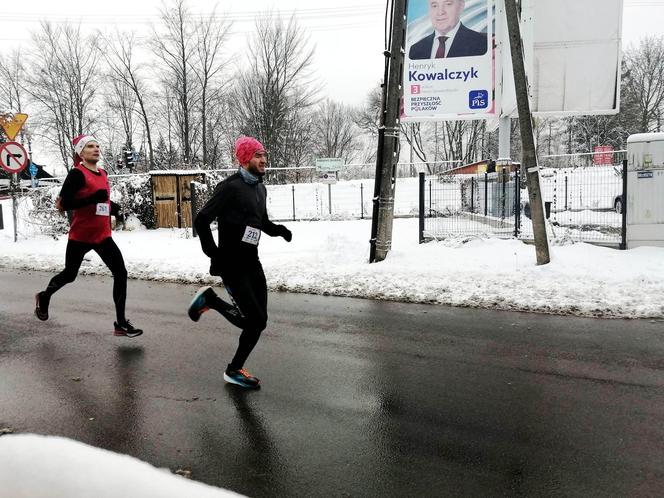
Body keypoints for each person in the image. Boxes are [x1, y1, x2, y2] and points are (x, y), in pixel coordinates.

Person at [187, 136, 292, 389]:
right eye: (258, 155)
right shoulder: (229, 187)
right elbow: (202, 220)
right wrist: (214, 254)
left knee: (259, 322)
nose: (264, 159)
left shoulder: (260, 188)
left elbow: (261, 222)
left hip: (253, 262)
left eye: (264, 154)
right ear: (245, 159)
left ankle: (211, 302)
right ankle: (232, 368)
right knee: (254, 320)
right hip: (232, 265)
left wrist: (279, 231)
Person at [34, 135, 143, 338]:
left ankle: (120, 323)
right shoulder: (77, 174)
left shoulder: (103, 173)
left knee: (121, 273)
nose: (95, 149)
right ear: (81, 152)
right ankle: (44, 296)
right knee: (70, 274)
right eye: (90, 146)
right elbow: (64, 204)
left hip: (102, 235)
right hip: (81, 236)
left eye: (97, 146)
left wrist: (115, 209)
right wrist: (93, 198)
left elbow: (102, 203)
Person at [409, 0, 487, 60]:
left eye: (448, 4)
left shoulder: (482, 43)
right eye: (434, 5)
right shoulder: (415, 50)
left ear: (461, 6)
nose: (440, 12)